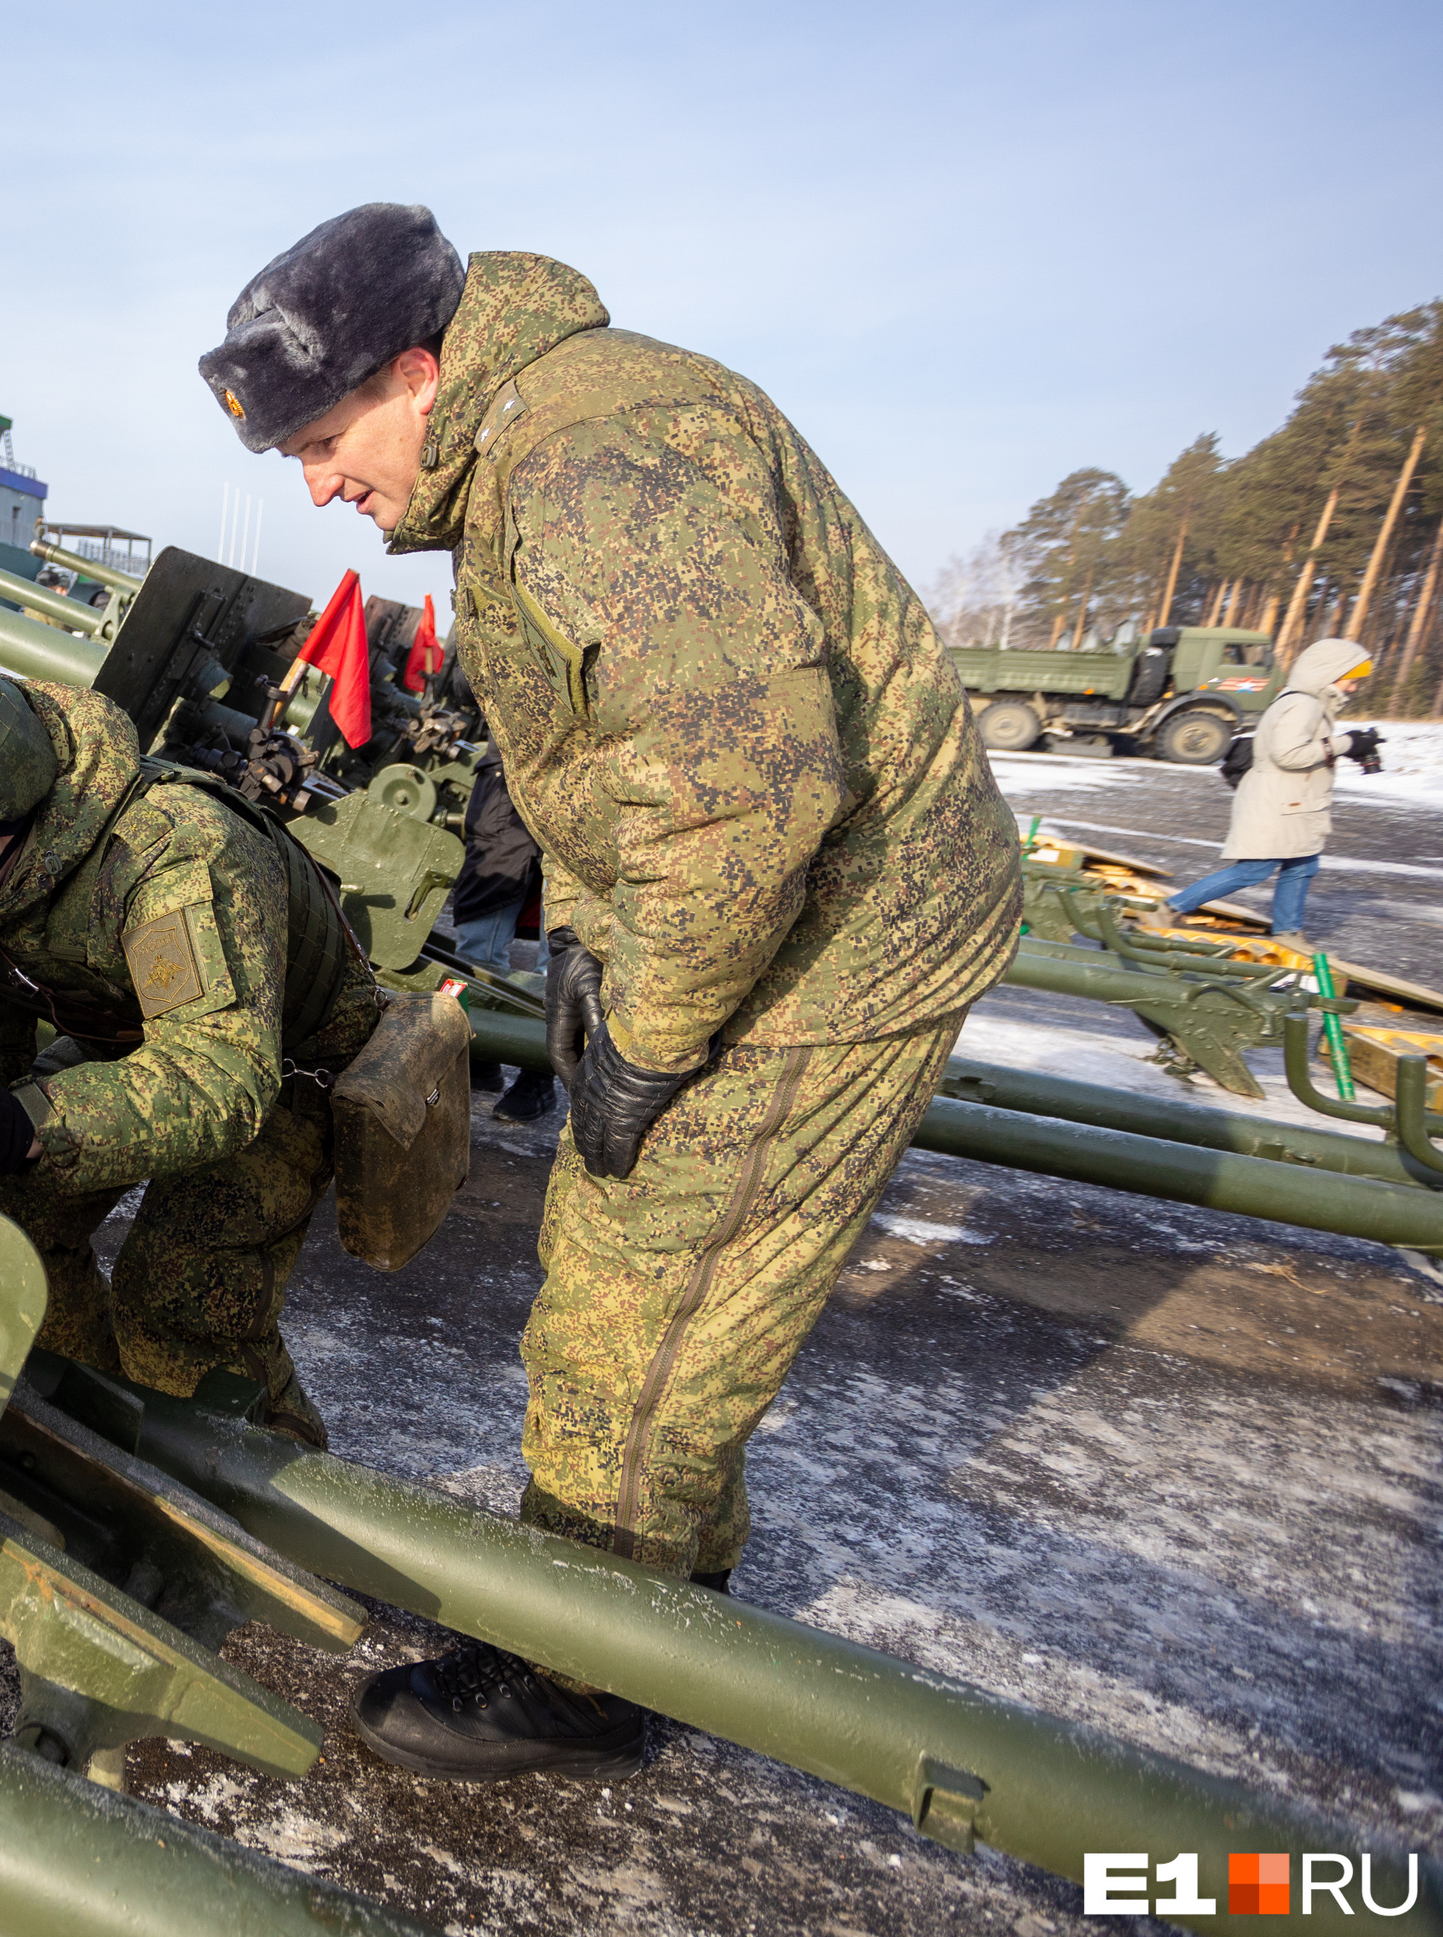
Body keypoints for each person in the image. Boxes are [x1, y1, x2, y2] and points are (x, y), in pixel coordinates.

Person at [198, 203, 1021, 1779]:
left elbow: (738, 793)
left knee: (638, 1297)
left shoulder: (586, 467)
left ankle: (583, 1670)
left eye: (321, 435)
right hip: (787, 908)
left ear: (421, 371)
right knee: (644, 1276)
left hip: (833, 934)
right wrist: (584, 928)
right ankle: (662, 1583)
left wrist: (650, 1028)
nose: (315, 483)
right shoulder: (537, 442)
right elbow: (600, 753)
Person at [0, 654, 382, 1449]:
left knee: (181, 1298)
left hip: (286, 1057)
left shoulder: (175, 852)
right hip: (133, 1037)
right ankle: (94, 1437)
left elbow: (220, 1076)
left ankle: (272, 1519)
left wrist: (22, 1122)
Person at [1147, 639, 1377, 947]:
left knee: (1302, 864)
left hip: (1295, 800)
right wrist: (1345, 743)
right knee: (1254, 870)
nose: (1353, 688)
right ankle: (1169, 908)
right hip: (1279, 800)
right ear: (1330, 674)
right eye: (1351, 680)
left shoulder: (1310, 703)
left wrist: (1351, 748)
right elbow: (1288, 754)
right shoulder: (1303, 704)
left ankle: (1288, 933)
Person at [446, 738, 557, 1122]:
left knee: (563, 954)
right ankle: (474, 1055)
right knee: (474, 950)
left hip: (591, 783)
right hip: (508, 780)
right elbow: (466, 683)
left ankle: (538, 1075)